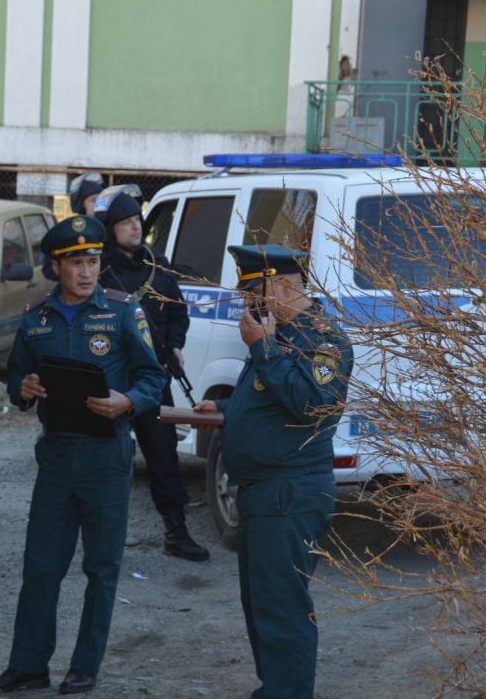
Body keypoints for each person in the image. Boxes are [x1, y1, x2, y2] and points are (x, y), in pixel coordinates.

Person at [0, 216, 166, 696]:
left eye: (93, 261)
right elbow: (16, 374)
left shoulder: (124, 311)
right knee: (40, 566)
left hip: (107, 454)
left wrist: (129, 401)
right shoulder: (37, 317)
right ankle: (28, 666)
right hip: (56, 456)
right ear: (56, 267)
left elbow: (153, 378)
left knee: (101, 568)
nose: (87, 272)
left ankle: (85, 665)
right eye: (76, 263)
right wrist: (25, 386)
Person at [193, 244, 353, 699]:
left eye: (255, 292)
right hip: (262, 491)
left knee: (282, 611)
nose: (248, 304)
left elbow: (313, 404)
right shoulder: (275, 332)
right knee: (261, 605)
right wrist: (224, 407)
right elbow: (266, 396)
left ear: (285, 285)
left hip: (290, 493)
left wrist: (263, 350)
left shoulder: (323, 339)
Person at [94, 184, 209, 562]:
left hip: (153, 377)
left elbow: (178, 311)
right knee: (109, 460)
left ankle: (176, 533)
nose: (134, 228)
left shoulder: (158, 264)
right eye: (125, 223)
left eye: (137, 221)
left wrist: (174, 346)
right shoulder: (99, 269)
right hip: (110, 379)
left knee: (163, 457)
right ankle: (99, 540)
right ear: (111, 229)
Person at [40, 172, 106, 282]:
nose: (98, 204)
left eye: (101, 200)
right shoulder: (67, 232)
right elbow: (48, 270)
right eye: (93, 200)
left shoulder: (110, 231)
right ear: (80, 205)